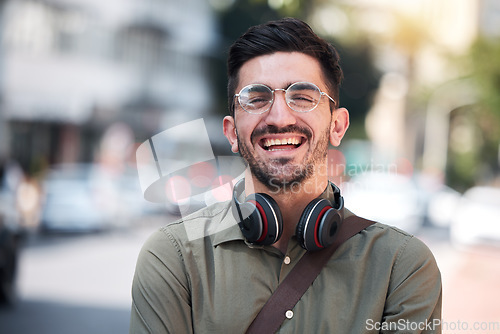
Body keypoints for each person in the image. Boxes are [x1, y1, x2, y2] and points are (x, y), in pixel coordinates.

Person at [129, 18, 442, 333]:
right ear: (232, 132)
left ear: (337, 126)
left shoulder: (400, 267)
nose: (279, 118)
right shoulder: (173, 256)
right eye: (256, 99)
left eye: (303, 97)